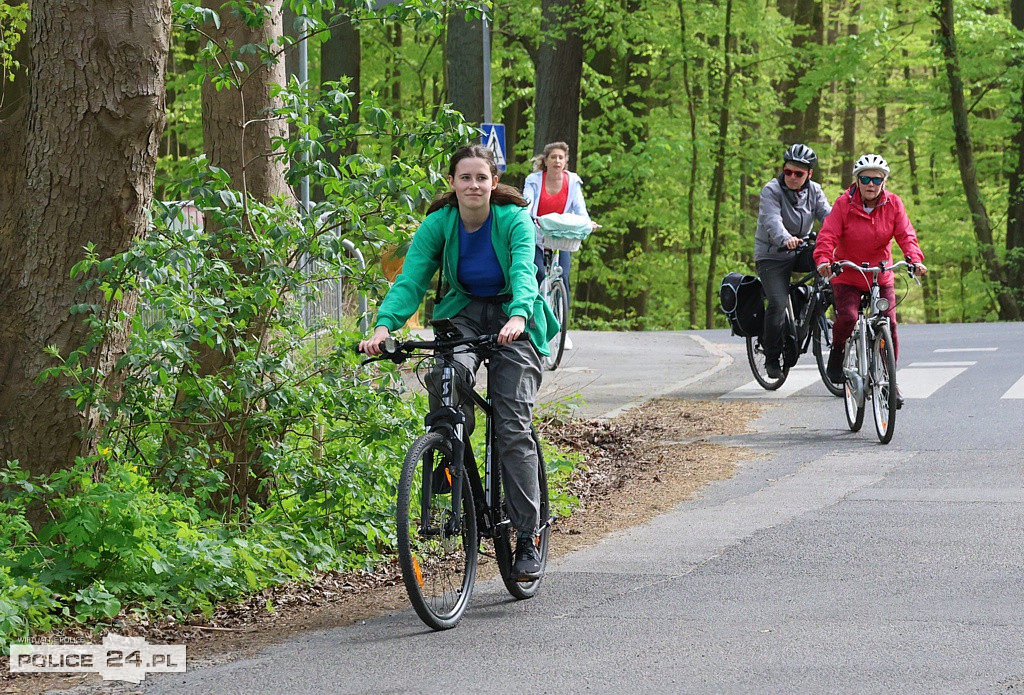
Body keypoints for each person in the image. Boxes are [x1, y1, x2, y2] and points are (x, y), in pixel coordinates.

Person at [359, 144, 559, 581]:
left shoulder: (513, 221)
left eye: (481, 178)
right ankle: (449, 459)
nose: (473, 185)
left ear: (493, 183)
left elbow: (525, 271)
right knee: (445, 379)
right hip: (464, 313)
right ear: (452, 182)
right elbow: (411, 279)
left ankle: (528, 535)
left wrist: (520, 315)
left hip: (514, 317)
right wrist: (383, 328)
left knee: (511, 425)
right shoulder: (439, 224)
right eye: (465, 177)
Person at [813, 153, 928, 407]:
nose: (871, 184)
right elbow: (828, 235)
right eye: (865, 178)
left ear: (883, 182)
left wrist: (914, 259)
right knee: (849, 317)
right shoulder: (844, 204)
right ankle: (838, 351)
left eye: (876, 179)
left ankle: (889, 379)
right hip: (848, 274)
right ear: (857, 180)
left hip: (880, 274)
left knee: (890, 325)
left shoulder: (894, 204)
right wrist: (823, 260)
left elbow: (906, 235)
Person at [754, 143, 833, 378]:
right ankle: (771, 358)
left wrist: (841, 237)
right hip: (772, 255)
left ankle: (812, 313)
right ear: (783, 170)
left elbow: (829, 218)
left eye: (799, 173)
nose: (792, 177)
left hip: (800, 251)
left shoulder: (815, 191)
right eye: (788, 172)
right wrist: (786, 238)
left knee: (831, 266)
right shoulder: (771, 191)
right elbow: (772, 220)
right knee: (778, 303)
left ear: (809, 174)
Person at [523, 141, 593, 350]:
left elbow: (580, 208)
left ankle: (562, 330)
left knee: (562, 277)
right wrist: (526, 219)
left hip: (562, 235)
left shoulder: (572, 182)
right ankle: (532, 322)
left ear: (566, 162)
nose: (557, 161)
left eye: (561, 157)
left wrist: (588, 224)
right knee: (536, 274)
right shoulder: (534, 180)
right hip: (538, 234)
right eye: (553, 157)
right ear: (545, 161)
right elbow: (527, 202)